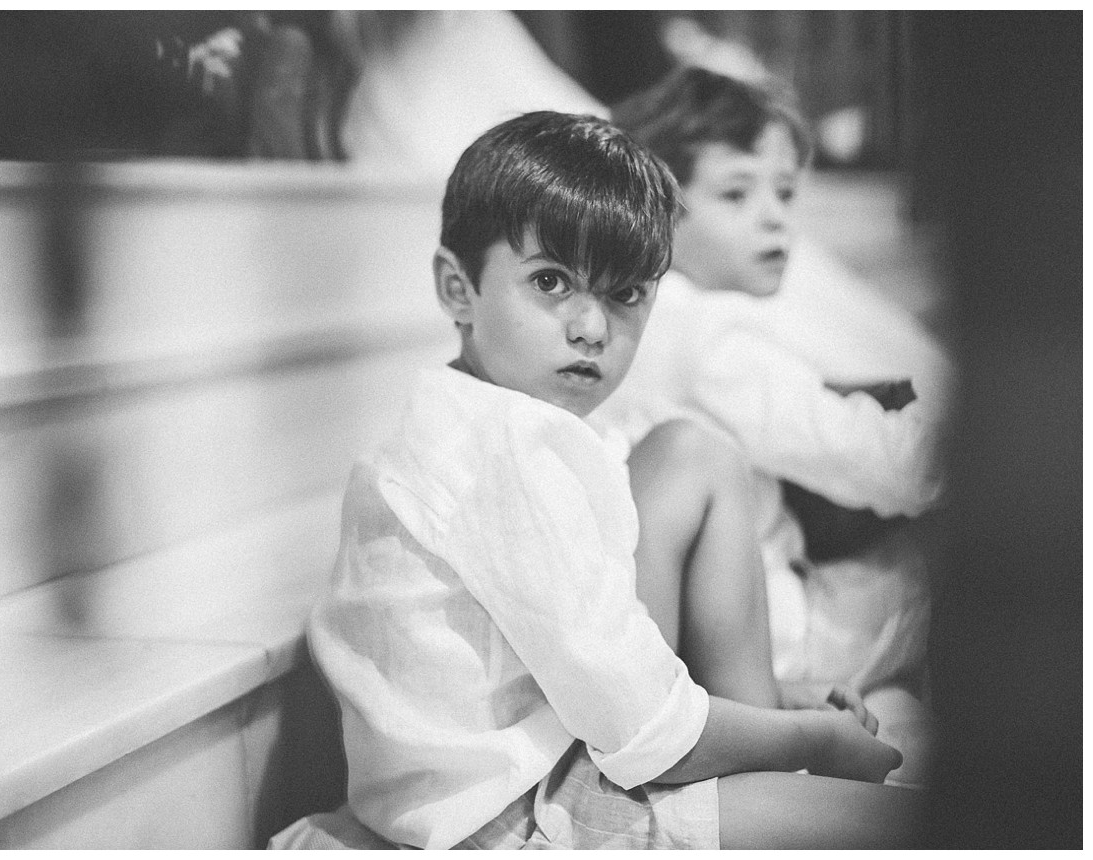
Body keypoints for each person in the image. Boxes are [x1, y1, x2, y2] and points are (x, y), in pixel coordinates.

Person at [281, 111, 923, 850]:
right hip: (527, 817)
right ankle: (771, 759)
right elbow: (645, 728)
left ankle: (763, 743)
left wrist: (790, 715)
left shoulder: (491, 416)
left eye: (625, 294)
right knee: (920, 826)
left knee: (694, 450)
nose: (592, 327)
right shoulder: (499, 449)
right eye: (551, 281)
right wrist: (813, 742)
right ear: (457, 289)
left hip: (555, 760)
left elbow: (614, 646)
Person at [588, 66, 949, 778]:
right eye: (736, 192)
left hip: (695, 636)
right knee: (937, 567)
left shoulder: (637, 323)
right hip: (768, 640)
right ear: (656, 204)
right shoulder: (709, 333)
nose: (775, 215)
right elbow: (871, 460)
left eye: (785, 192)